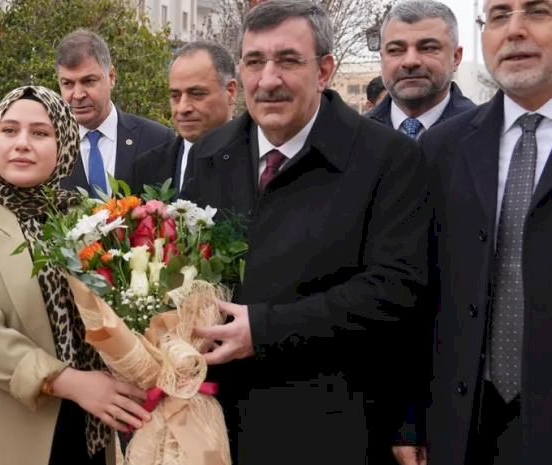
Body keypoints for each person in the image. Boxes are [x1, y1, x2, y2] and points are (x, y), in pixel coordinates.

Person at [182, 1, 428, 464]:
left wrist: (266, 328)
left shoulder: (387, 159)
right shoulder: (212, 154)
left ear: (325, 70)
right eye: (254, 61)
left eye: (288, 60)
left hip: (333, 424)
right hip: (217, 425)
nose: (268, 80)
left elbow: (395, 290)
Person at [0, 86, 149, 465]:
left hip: (88, 426)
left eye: (40, 133)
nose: (21, 143)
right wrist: (76, 385)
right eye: (9, 131)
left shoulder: (91, 219)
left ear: (65, 146)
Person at [415, 0, 552, 464]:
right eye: (498, 15)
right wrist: (411, 419)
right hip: (465, 424)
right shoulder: (442, 148)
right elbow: (420, 293)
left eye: (536, 11)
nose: (513, 31)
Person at [55, 29, 171, 196]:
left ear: (111, 77)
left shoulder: (158, 141)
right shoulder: (49, 148)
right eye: (68, 84)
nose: (78, 95)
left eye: (88, 81)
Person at [133, 40, 238, 195]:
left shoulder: (258, 165)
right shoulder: (147, 168)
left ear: (231, 92)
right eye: (175, 96)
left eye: (197, 94)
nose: (183, 108)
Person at [367, 0, 475, 138]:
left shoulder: (489, 134)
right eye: (395, 50)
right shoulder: (353, 138)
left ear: (456, 57)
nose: (410, 61)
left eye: (428, 48)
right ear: (382, 59)